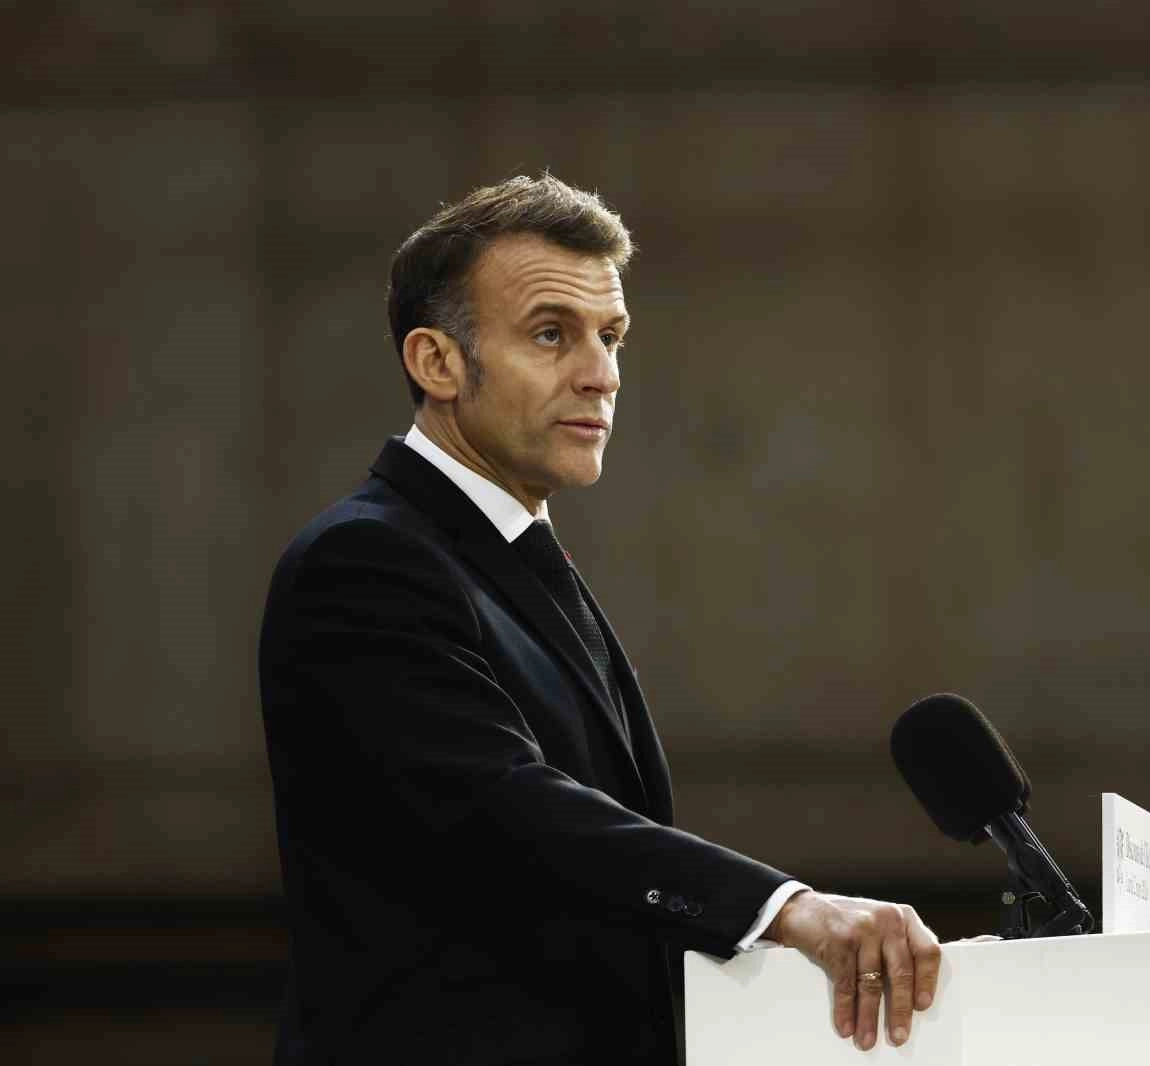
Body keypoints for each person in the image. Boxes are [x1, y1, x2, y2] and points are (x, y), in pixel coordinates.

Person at [258, 174, 942, 1065]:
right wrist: (784, 909)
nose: (602, 373)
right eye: (552, 334)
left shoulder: (510, 557)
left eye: (611, 336)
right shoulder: (364, 562)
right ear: (436, 363)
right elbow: (505, 811)